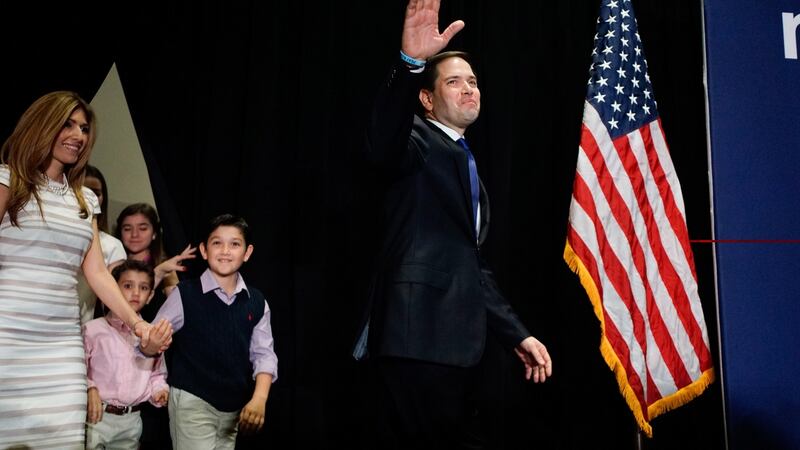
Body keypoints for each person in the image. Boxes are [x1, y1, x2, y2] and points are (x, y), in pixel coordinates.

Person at [352, 1, 553, 447]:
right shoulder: (417, 142)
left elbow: (472, 267)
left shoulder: (471, 168)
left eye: (473, 82)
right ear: (427, 98)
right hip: (413, 340)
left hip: (460, 350)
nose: (469, 90)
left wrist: (516, 334)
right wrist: (410, 65)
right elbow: (381, 143)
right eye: (454, 82)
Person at [0, 90, 171, 448]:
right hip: (9, 335)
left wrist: (138, 324)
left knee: (61, 439)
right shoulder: (9, 180)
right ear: (42, 125)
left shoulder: (84, 199)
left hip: (61, 344)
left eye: (83, 127)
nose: (78, 135)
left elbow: (96, 274)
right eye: (68, 124)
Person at [153, 214, 277, 450]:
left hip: (234, 408)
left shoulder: (257, 301)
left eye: (235, 244)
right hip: (192, 400)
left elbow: (264, 354)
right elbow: (150, 341)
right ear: (204, 250)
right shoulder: (185, 294)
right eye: (217, 242)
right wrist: (151, 343)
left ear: (247, 252)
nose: (225, 251)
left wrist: (260, 398)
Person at [84, 260, 169, 450]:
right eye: (128, 285)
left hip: (131, 420)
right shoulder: (93, 330)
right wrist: (90, 388)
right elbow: (79, 369)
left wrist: (159, 391)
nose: (136, 293)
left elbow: (156, 374)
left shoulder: (152, 335)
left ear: (151, 296)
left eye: (144, 287)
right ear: (113, 289)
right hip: (98, 416)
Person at [115, 202, 196, 306]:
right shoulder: (114, 264)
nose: (134, 234)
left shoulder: (166, 267)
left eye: (143, 228)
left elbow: (179, 308)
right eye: (127, 229)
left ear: (154, 233)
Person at [77, 164, 127, 324]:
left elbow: (113, 295)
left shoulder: (112, 245)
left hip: (82, 329)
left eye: (96, 193)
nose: (89, 196)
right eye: (84, 189)